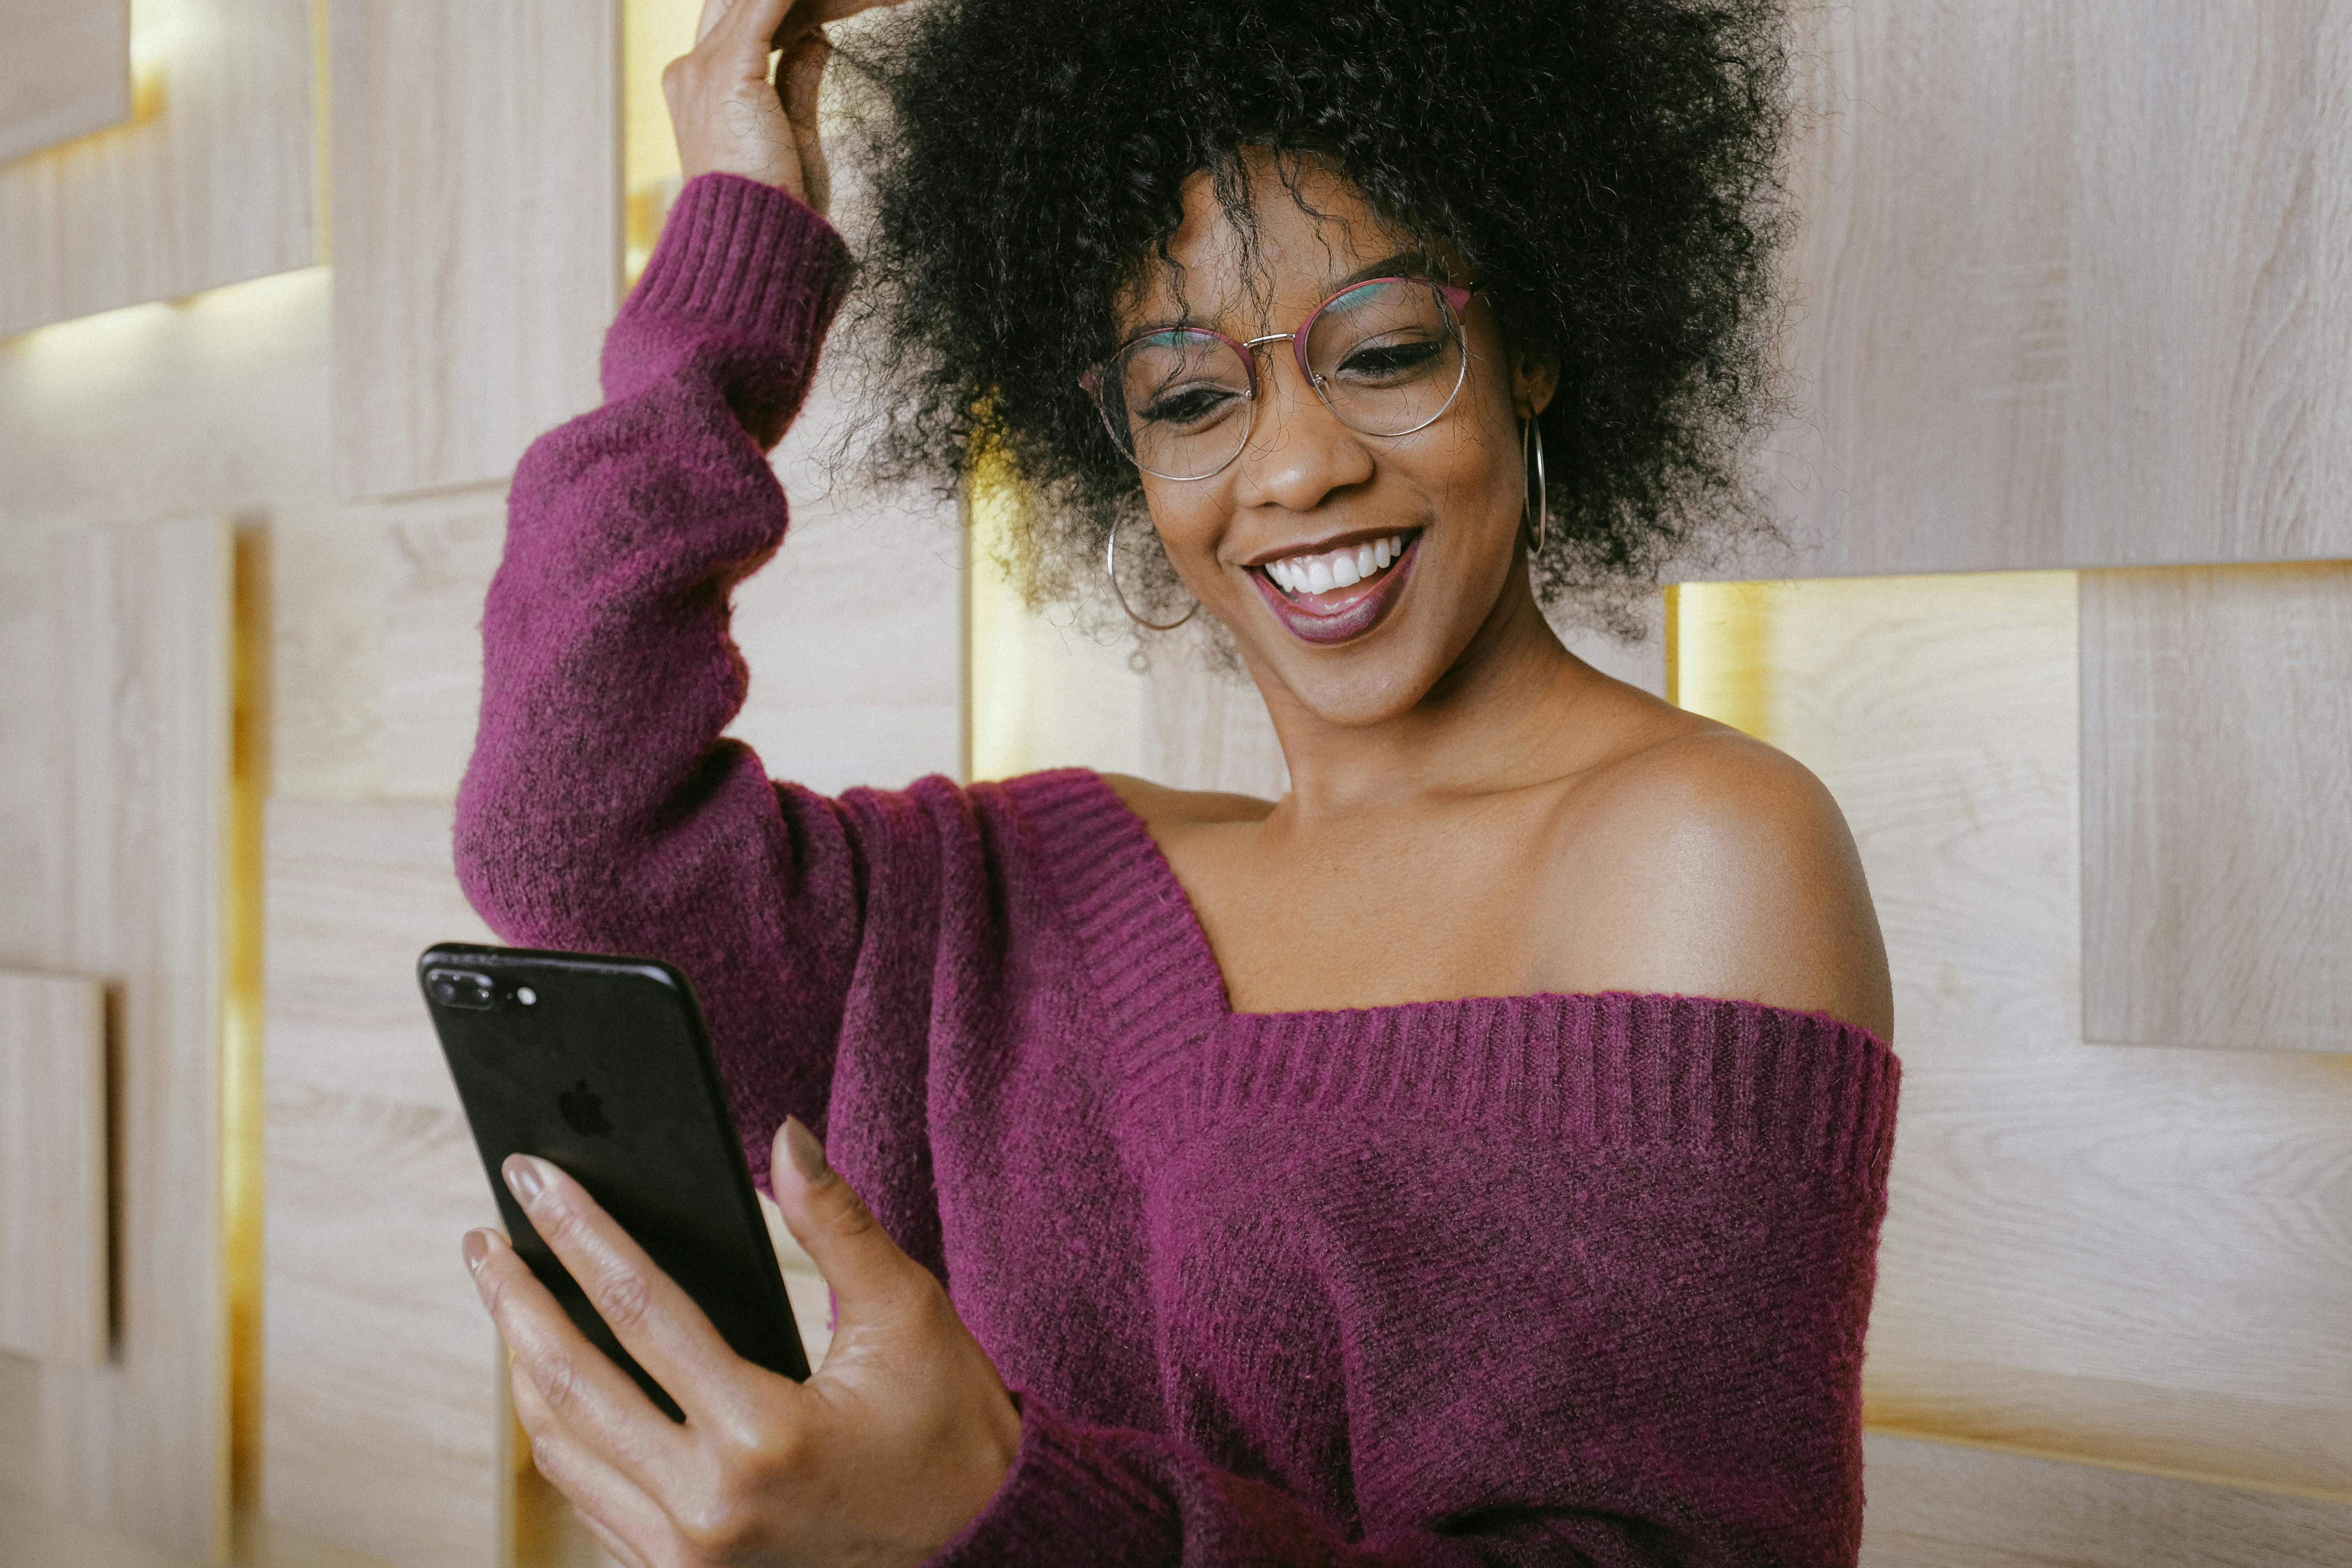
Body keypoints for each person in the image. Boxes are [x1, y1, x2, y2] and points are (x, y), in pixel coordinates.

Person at [453, 0, 1899, 1561]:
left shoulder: (1700, 848)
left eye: (1389, 352)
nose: (1294, 468)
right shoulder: (1005, 907)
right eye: (1192, 396)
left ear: (1532, 344)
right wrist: (734, 269)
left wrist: (986, 1519)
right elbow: (567, 831)